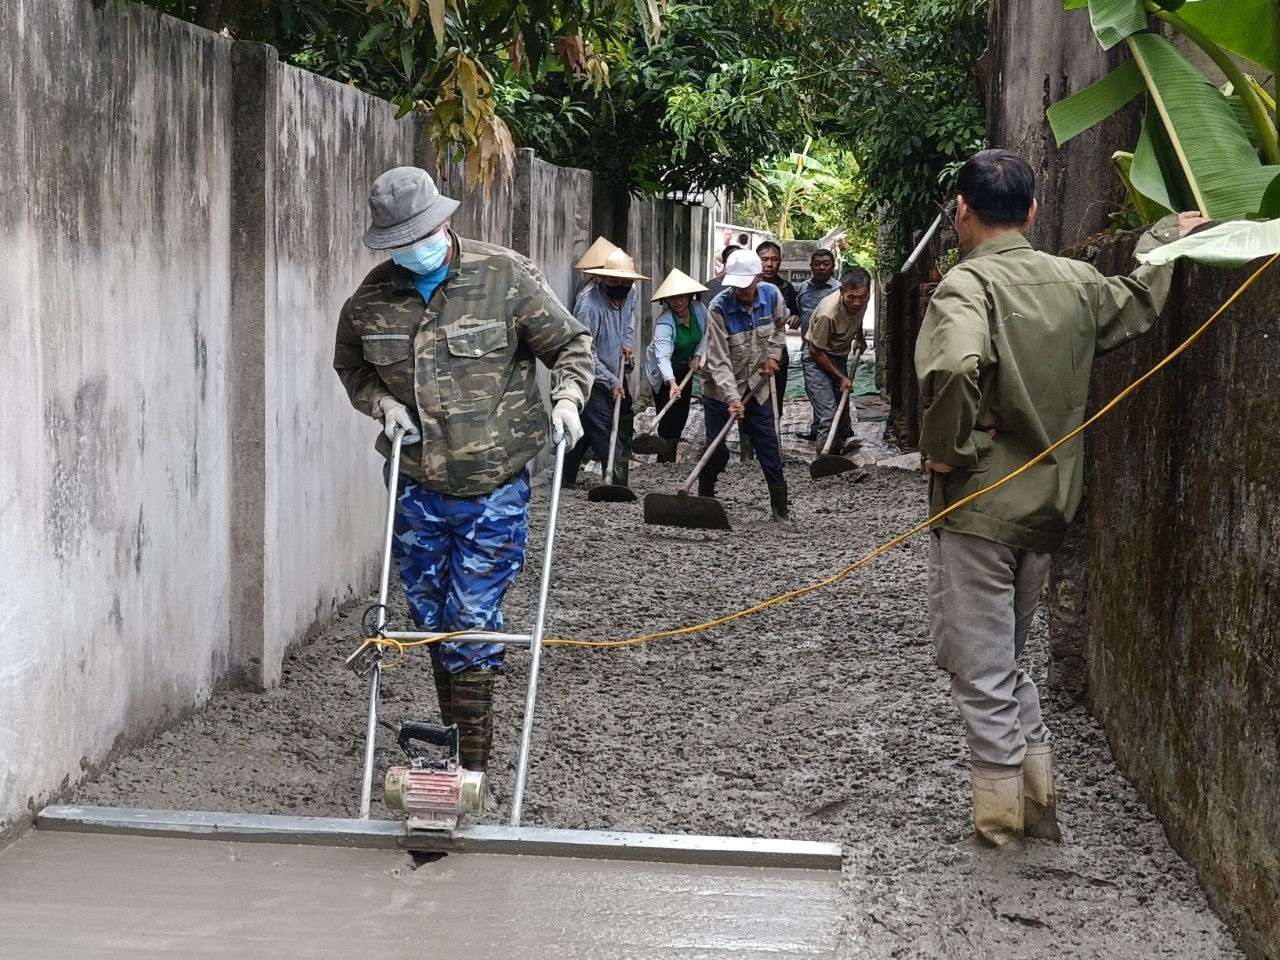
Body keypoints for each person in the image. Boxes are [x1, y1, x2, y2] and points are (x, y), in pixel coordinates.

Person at [914, 148, 1205, 846]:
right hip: (1048, 507)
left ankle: (1001, 826)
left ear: (961, 210)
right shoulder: (1075, 280)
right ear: (1034, 211)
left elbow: (955, 364)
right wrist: (1165, 239)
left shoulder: (965, 288)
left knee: (980, 668)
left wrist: (948, 451)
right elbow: (1136, 300)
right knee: (1005, 660)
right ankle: (1039, 807)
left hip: (981, 504)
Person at [333, 166, 593, 776]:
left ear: (444, 222)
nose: (410, 251)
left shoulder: (504, 274)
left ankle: (470, 772)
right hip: (416, 486)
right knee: (431, 622)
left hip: (492, 484)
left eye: (418, 236)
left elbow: (571, 345)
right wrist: (384, 404)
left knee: (473, 624)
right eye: (398, 243)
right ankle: (454, 745)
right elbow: (351, 367)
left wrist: (568, 398)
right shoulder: (371, 301)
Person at [700, 249, 788, 520]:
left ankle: (780, 510)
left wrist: (774, 355)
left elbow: (778, 328)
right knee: (716, 449)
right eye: (735, 285)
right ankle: (705, 499)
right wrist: (731, 397)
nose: (740, 291)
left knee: (769, 447)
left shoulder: (772, 295)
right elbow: (718, 360)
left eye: (745, 285)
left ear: (758, 277)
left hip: (756, 385)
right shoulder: (718, 308)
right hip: (719, 388)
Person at [564, 247, 647, 489]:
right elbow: (584, 351)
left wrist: (627, 343)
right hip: (587, 373)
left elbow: (628, 319)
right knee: (603, 426)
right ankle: (617, 483)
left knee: (593, 427)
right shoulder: (589, 306)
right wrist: (611, 381)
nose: (620, 285)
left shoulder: (630, 292)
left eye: (625, 280)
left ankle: (565, 476)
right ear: (602, 278)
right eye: (614, 280)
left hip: (614, 367)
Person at [643, 269, 709, 463]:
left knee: (681, 414)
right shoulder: (664, 323)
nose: (678, 301)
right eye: (672, 298)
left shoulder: (699, 310)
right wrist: (671, 383)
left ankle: (672, 451)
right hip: (663, 372)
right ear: (666, 300)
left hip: (685, 367)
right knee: (667, 415)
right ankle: (665, 460)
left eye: (682, 296)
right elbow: (662, 357)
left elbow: (706, 333)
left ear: (690, 295)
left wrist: (697, 355)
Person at [804, 268, 869, 451]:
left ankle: (838, 448)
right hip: (817, 358)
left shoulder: (863, 299)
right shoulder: (828, 313)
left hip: (839, 356)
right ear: (842, 291)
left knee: (842, 412)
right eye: (851, 297)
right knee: (829, 413)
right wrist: (840, 377)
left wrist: (860, 338)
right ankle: (823, 457)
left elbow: (857, 317)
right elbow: (815, 350)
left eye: (862, 297)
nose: (857, 302)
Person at [794, 249, 840, 440]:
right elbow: (799, 311)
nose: (821, 267)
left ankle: (835, 434)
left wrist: (860, 338)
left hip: (833, 349)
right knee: (815, 391)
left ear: (833, 266)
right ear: (811, 266)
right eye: (817, 263)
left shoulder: (840, 289)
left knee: (832, 392)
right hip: (810, 347)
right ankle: (818, 429)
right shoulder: (804, 288)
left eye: (826, 263)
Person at [756, 241, 800, 409]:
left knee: (775, 402)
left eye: (774, 259)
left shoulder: (786, 288)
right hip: (750, 353)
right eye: (764, 259)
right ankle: (747, 435)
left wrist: (795, 318)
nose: (769, 264)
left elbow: (795, 314)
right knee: (750, 403)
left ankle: (773, 434)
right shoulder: (748, 286)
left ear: (780, 261)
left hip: (778, 352)